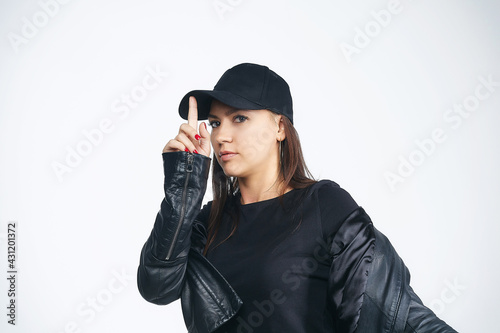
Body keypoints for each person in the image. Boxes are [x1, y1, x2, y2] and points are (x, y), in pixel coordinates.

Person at [137, 63, 457, 333]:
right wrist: (183, 186)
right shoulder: (205, 224)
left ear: (279, 126)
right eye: (215, 123)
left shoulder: (323, 206)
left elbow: (400, 315)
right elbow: (157, 288)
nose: (221, 135)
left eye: (239, 118)